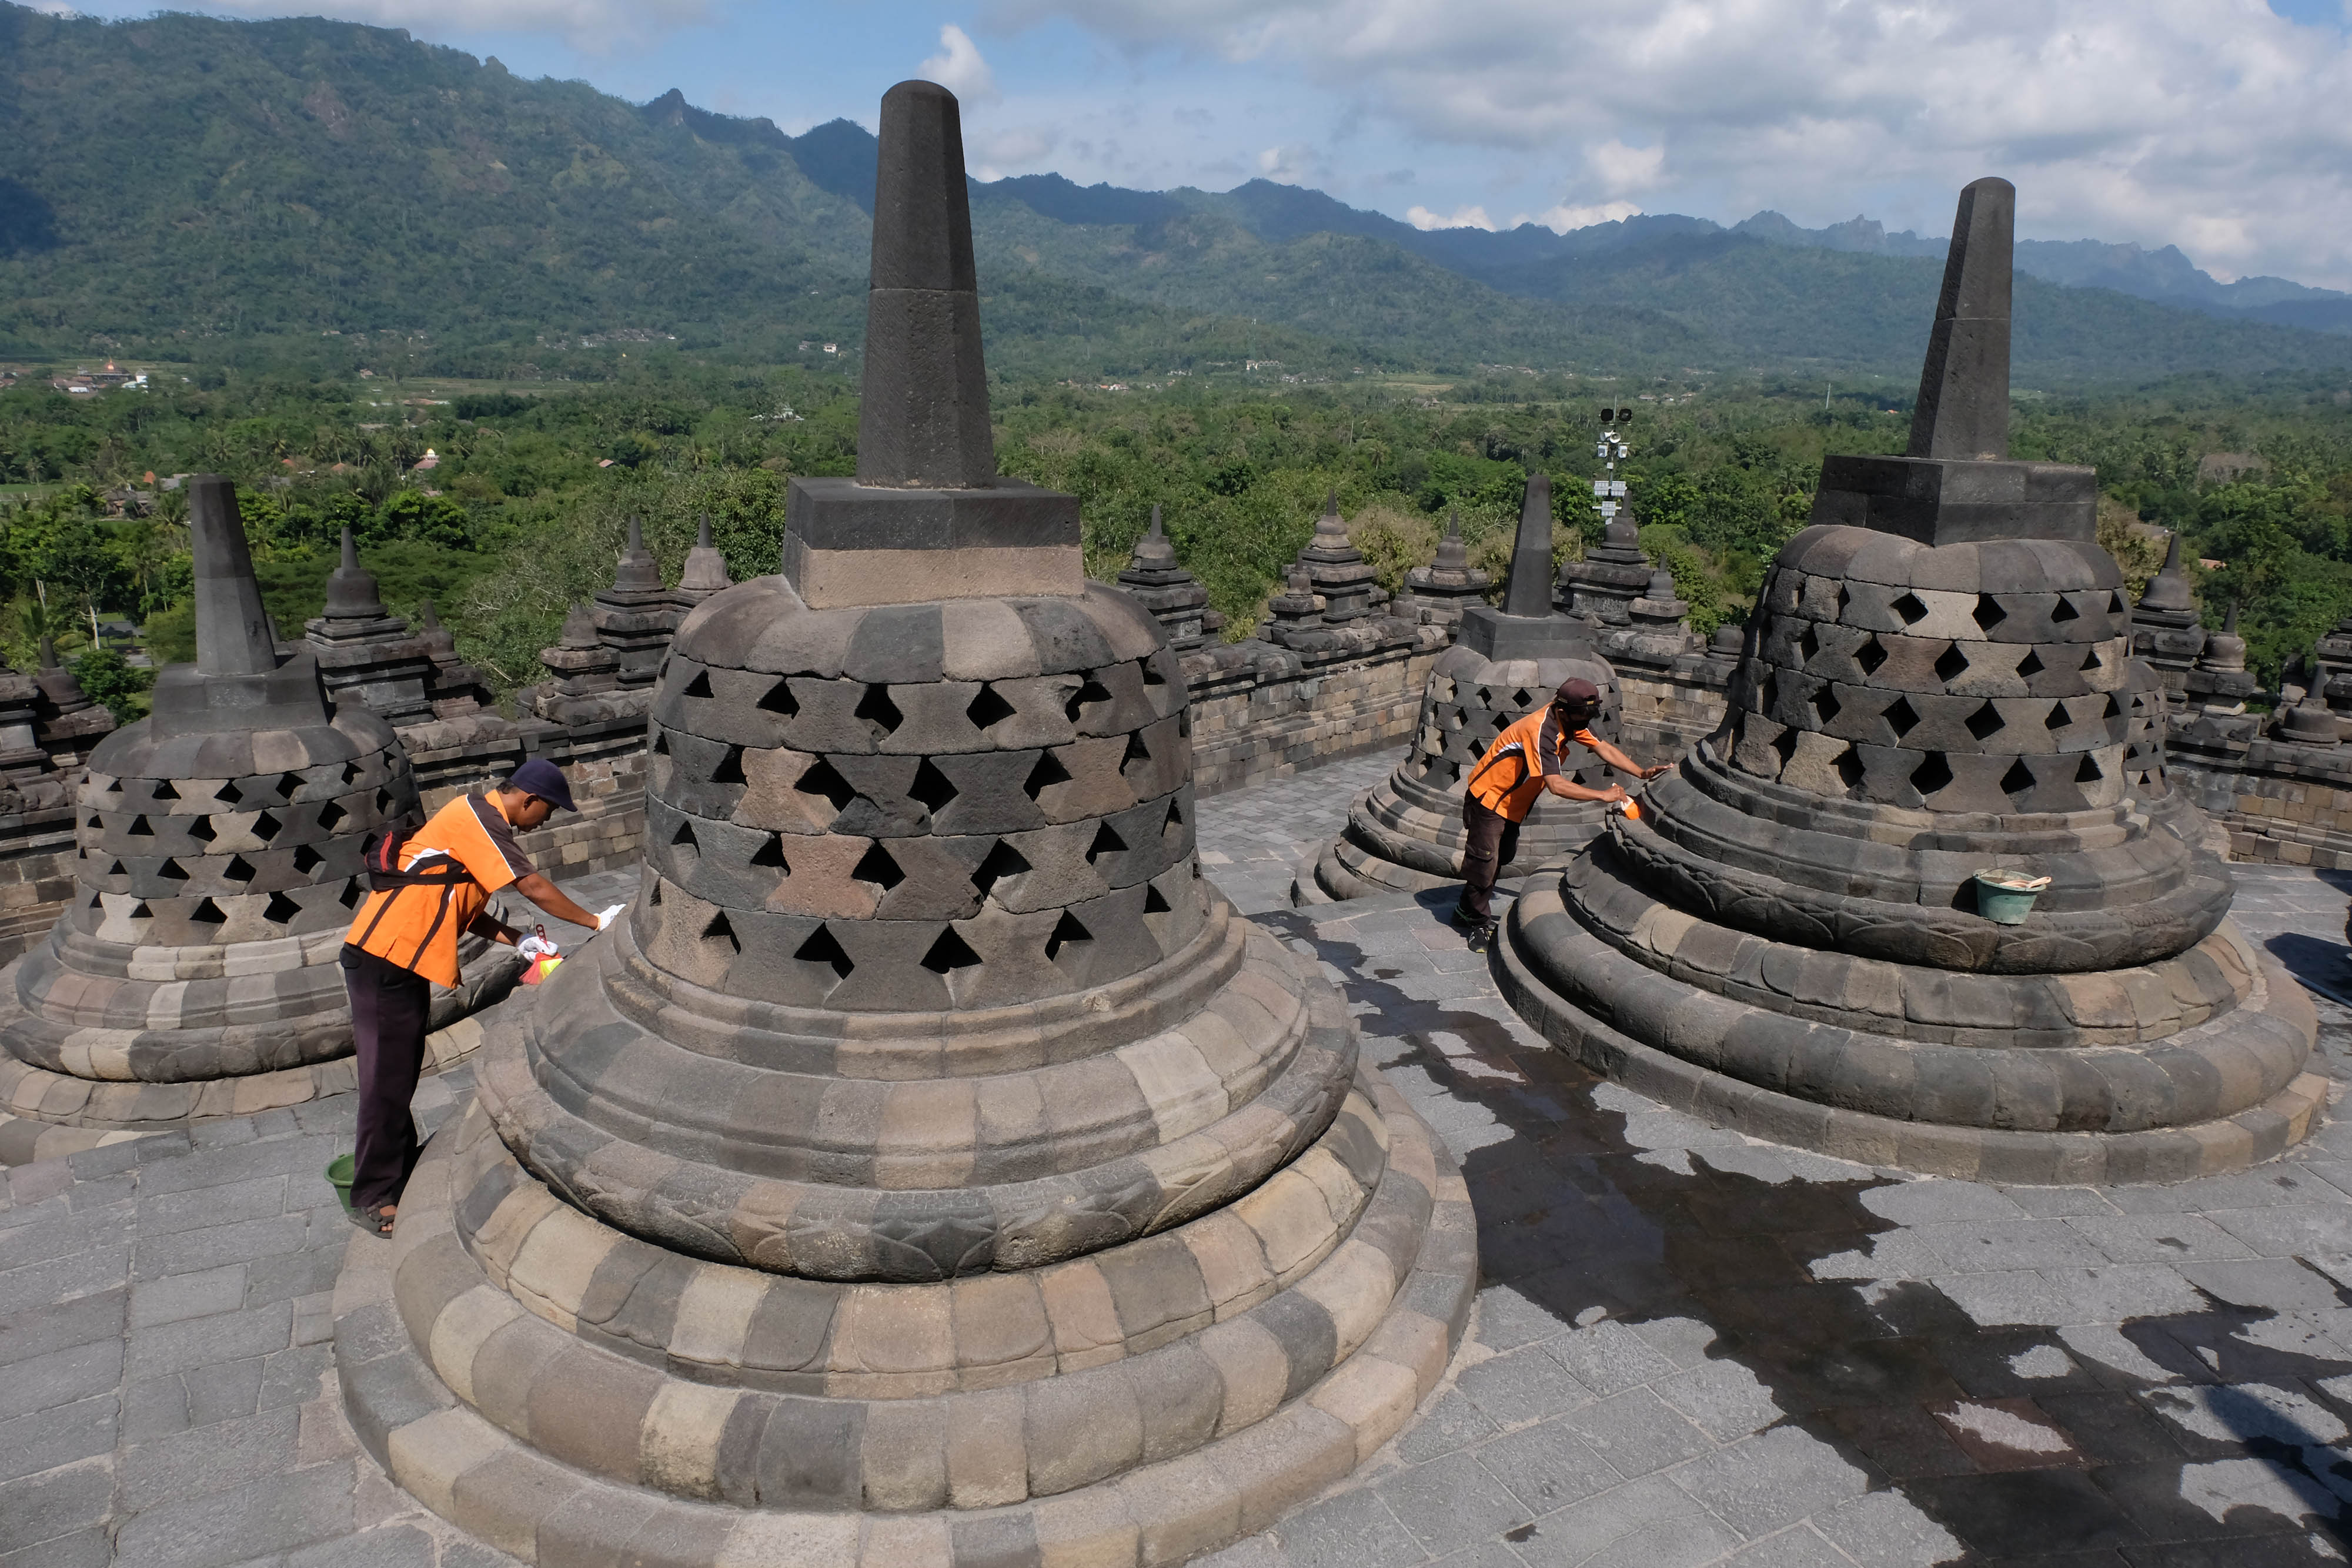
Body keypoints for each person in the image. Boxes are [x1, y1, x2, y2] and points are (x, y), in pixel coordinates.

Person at [339, 758, 619, 1235]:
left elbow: (460, 904)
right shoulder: (478, 818)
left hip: (397, 961)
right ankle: (373, 1194)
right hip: (383, 960)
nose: (546, 820)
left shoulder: (474, 818)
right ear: (529, 799)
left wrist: (517, 939)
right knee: (385, 1078)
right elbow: (531, 885)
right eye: (549, 810)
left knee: (399, 1071)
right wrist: (595, 921)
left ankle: (396, 1168)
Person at [1452, 677, 1667, 948]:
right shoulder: (1540, 730)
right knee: (1484, 861)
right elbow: (1555, 785)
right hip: (1490, 799)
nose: (1585, 722)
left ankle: (1466, 906)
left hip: (1514, 803)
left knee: (1502, 856)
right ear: (1562, 710)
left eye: (1589, 715)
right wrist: (1602, 795)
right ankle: (1477, 922)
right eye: (1582, 716)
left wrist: (1641, 772)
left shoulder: (1571, 720)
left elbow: (1602, 747)